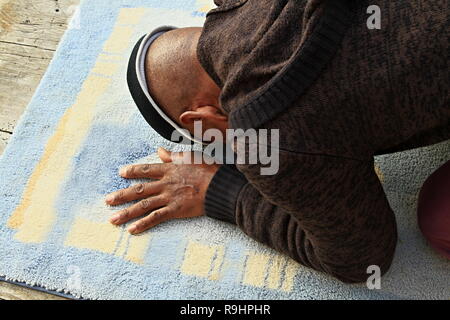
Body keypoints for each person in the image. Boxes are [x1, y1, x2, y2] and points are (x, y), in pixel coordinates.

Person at [106, 1, 449, 283]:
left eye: (208, 138)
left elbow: (361, 259)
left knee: (439, 219)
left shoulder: (267, 139)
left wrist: (222, 192)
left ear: (201, 120)